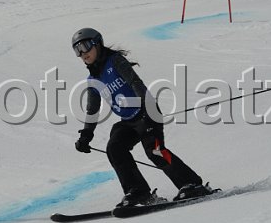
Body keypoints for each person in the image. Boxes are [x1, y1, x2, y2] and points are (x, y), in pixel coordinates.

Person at [72, 28, 215, 207]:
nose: (82, 53)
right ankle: (138, 192)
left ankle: (191, 184)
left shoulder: (115, 61)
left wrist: (148, 109)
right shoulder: (93, 80)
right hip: (128, 121)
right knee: (115, 148)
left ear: (97, 44)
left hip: (147, 112)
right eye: (77, 50)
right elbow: (92, 109)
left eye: (85, 46)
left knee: (155, 151)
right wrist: (86, 135)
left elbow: (135, 82)